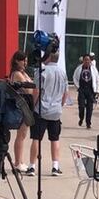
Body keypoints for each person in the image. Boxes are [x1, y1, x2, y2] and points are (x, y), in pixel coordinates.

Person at [29, 47, 68, 176]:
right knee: (55, 138)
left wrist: (32, 105)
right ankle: (55, 166)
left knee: (36, 138)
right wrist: (60, 106)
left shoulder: (42, 71)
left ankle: (32, 166)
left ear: (49, 57)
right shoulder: (62, 73)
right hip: (56, 111)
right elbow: (65, 93)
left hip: (41, 109)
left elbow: (37, 91)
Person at [8, 51, 35, 171]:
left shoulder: (23, 73)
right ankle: (17, 162)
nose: (25, 63)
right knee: (21, 134)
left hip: (27, 104)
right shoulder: (17, 74)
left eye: (26, 61)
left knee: (23, 134)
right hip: (22, 104)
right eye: (23, 60)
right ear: (17, 61)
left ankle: (20, 160)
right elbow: (29, 89)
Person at [72, 54, 99, 129]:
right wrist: (78, 87)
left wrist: (97, 90)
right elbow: (75, 78)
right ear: (83, 60)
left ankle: (88, 123)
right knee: (81, 106)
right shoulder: (79, 68)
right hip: (82, 89)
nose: (87, 61)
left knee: (90, 107)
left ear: (90, 61)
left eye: (88, 60)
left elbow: (97, 80)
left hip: (90, 90)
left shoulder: (93, 69)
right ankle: (81, 118)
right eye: (85, 60)